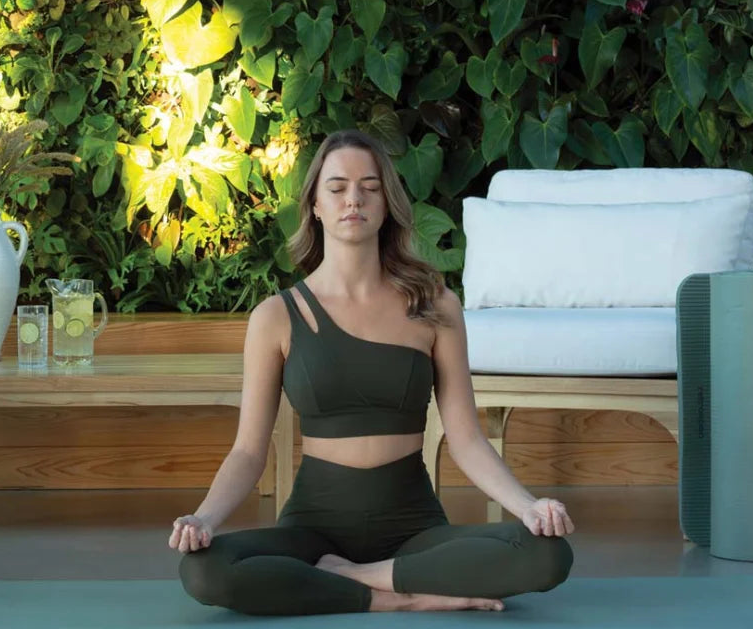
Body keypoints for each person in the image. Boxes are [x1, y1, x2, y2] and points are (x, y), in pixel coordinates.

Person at [170, 129, 575, 615]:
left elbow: (467, 438)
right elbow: (248, 450)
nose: (353, 199)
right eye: (337, 188)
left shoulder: (435, 306)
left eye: (370, 186)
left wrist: (528, 506)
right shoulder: (275, 317)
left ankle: (356, 578)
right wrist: (205, 517)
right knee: (202, 568)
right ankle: (400, 598)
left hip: (414, 527)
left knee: (548, 553)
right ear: (315, 205)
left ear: (387, 203)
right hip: (312, 528)